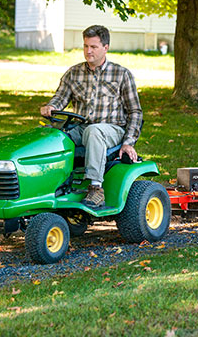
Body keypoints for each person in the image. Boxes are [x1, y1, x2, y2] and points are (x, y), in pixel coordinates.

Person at [40, 25, 143, 208]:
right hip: (80, 127)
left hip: (112, 129)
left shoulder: (121, 74)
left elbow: (135, 112)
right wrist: (51, 106)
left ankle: (96, 188)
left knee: (94, 131)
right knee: (49, 135)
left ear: (106, 47)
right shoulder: (73, 73)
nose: (88, 51)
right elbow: (60, 97)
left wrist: (128, 142)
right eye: (86, 46)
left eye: (93, 47)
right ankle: (46, 185)